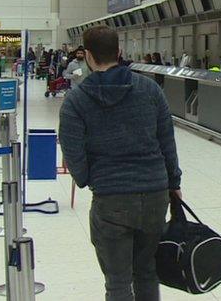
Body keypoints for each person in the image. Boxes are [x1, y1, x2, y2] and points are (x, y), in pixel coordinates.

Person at [59, 25, 182, 301]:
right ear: (119, 52)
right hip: (153, 194)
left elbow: (72, 149)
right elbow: (167, 141)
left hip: (111, 199)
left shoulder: (76, 101)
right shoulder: (149, 89)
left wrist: (88, 177)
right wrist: (174, 183)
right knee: (148, 273)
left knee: (117, 282)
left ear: (88, 56)